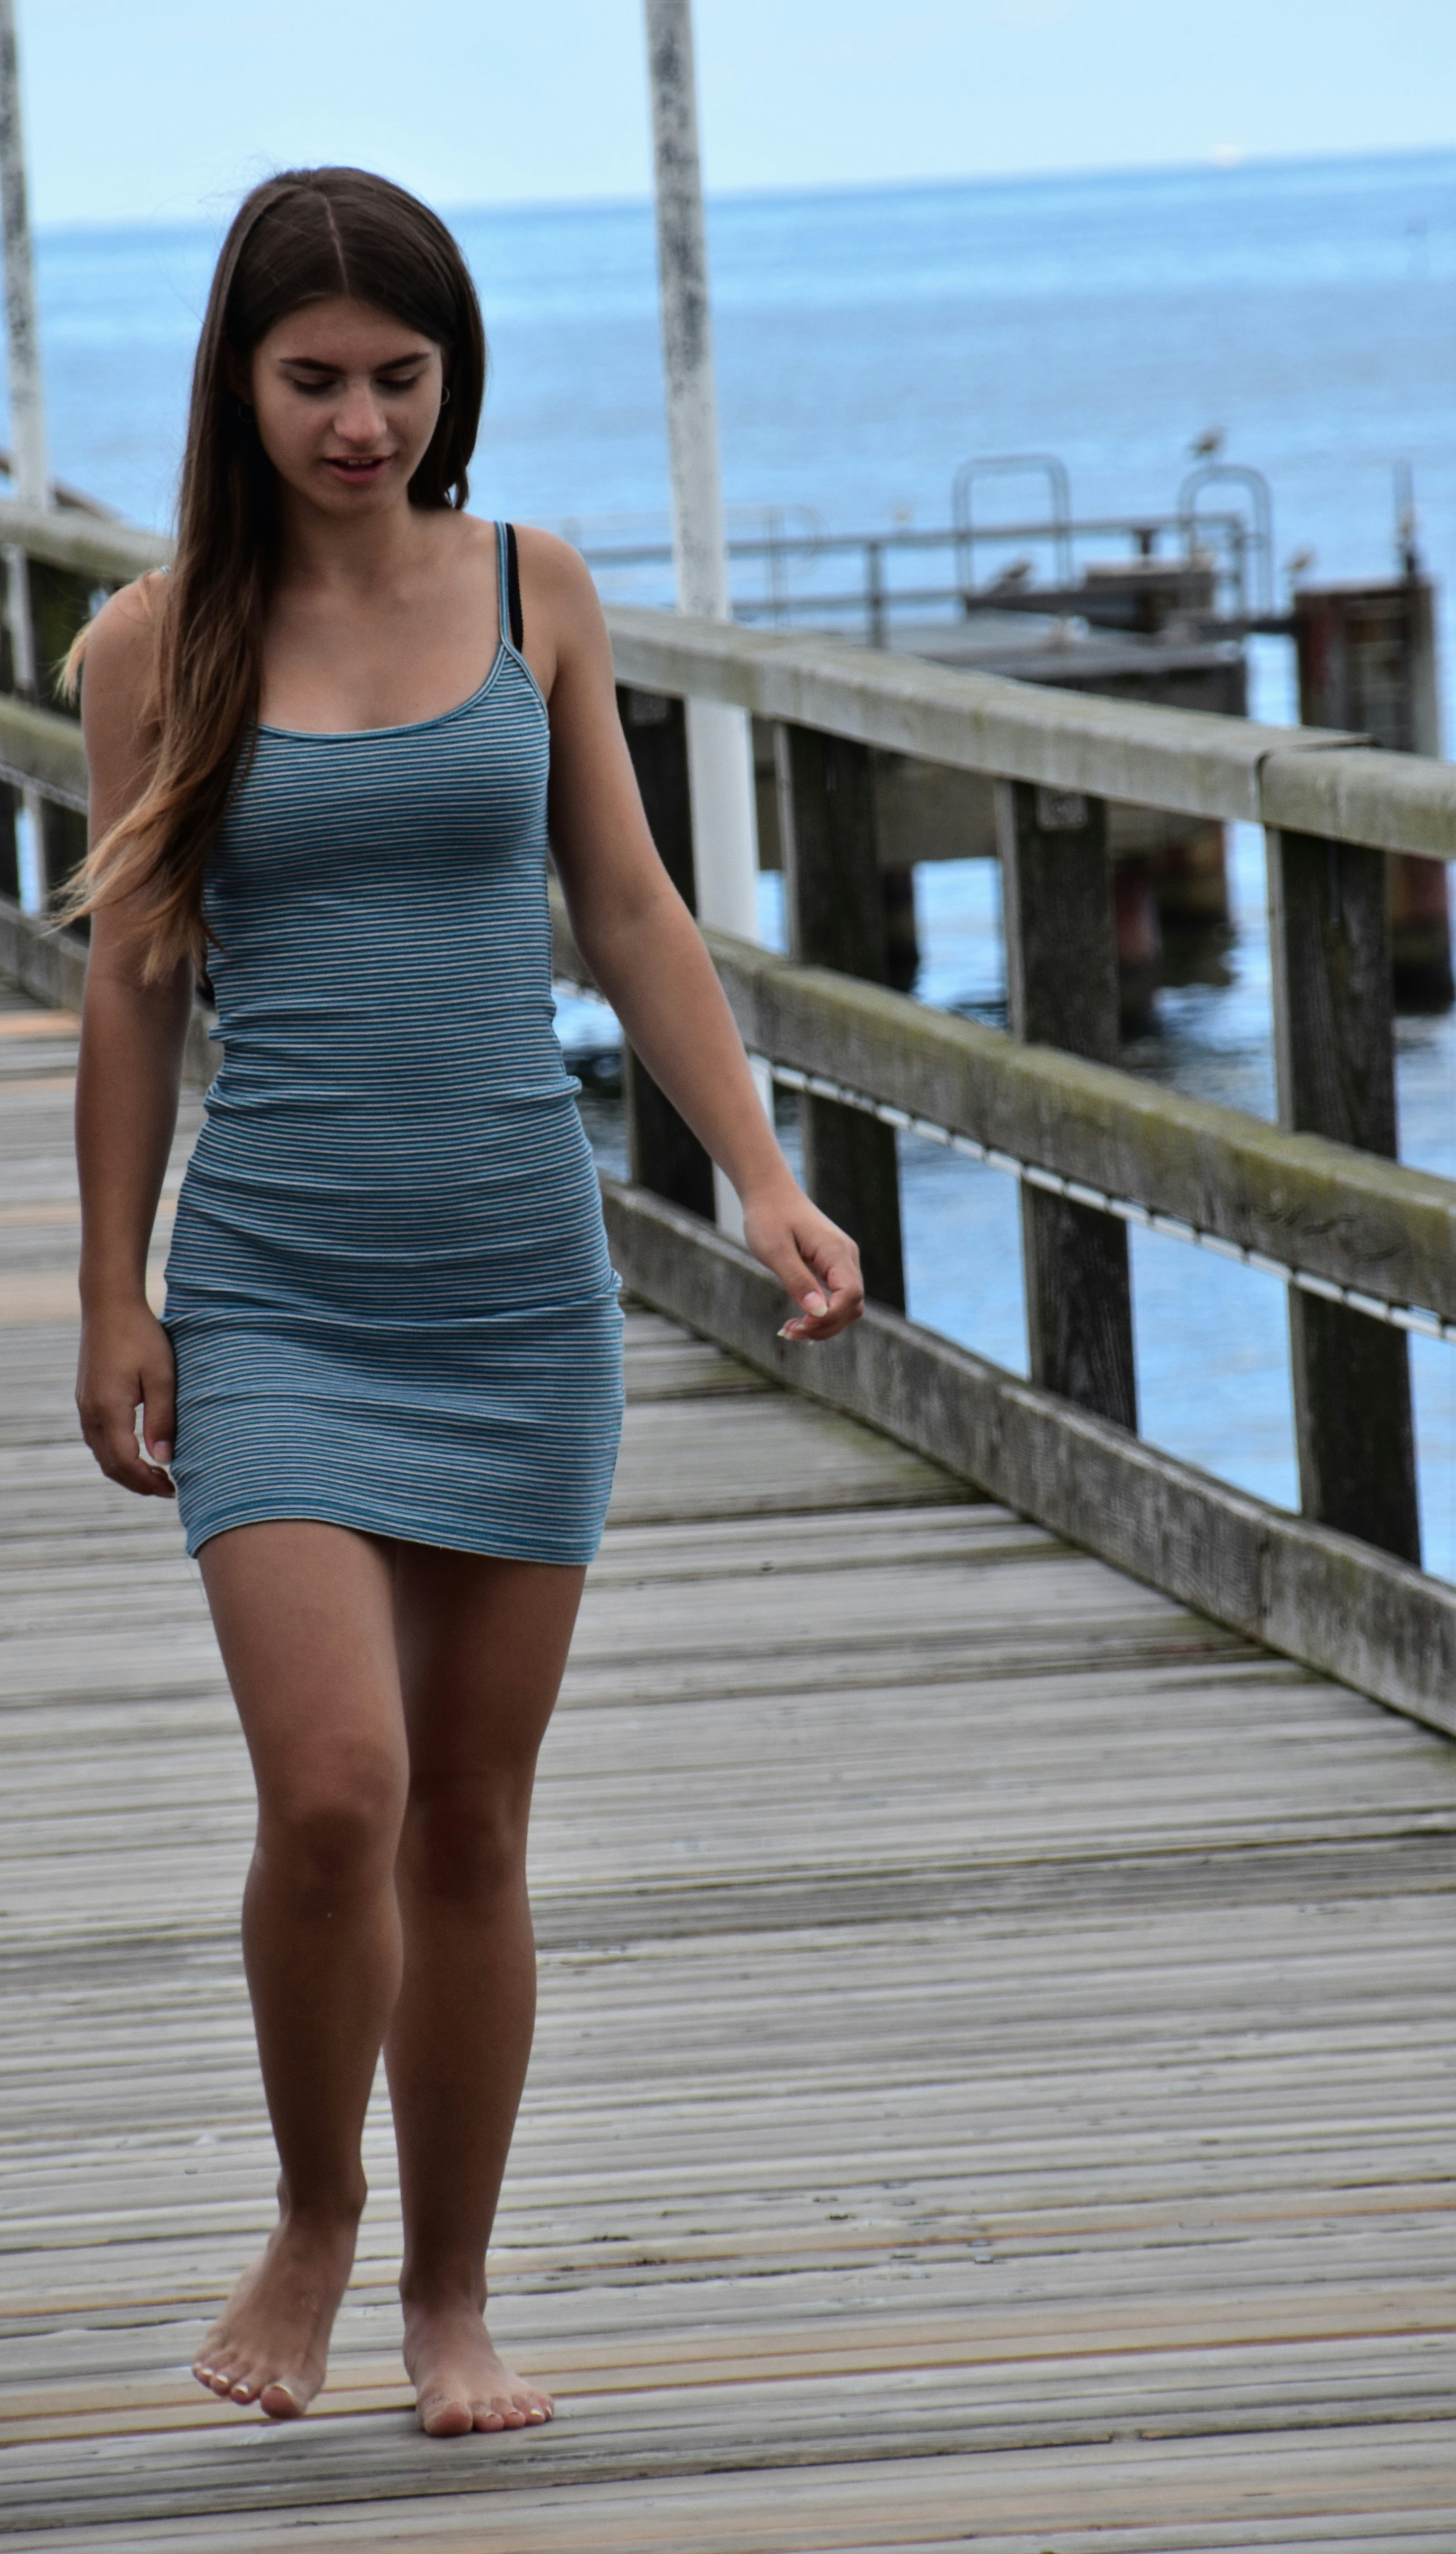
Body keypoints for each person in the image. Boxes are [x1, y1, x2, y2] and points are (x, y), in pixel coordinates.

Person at [69, 167, 863, 2437]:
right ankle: (314, 2220)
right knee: (336, 1796)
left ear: (454, 376)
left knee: (475, 1826)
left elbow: (629, 914)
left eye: (398, 379)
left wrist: (767, 1180)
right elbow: (133, 993)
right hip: (281, 1289)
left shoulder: (536, 591)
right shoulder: (154, 644)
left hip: (520, 1282)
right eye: (313, 379)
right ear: (238, 380)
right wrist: (109, 1297)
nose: (359, 421)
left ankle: (449, 2291)